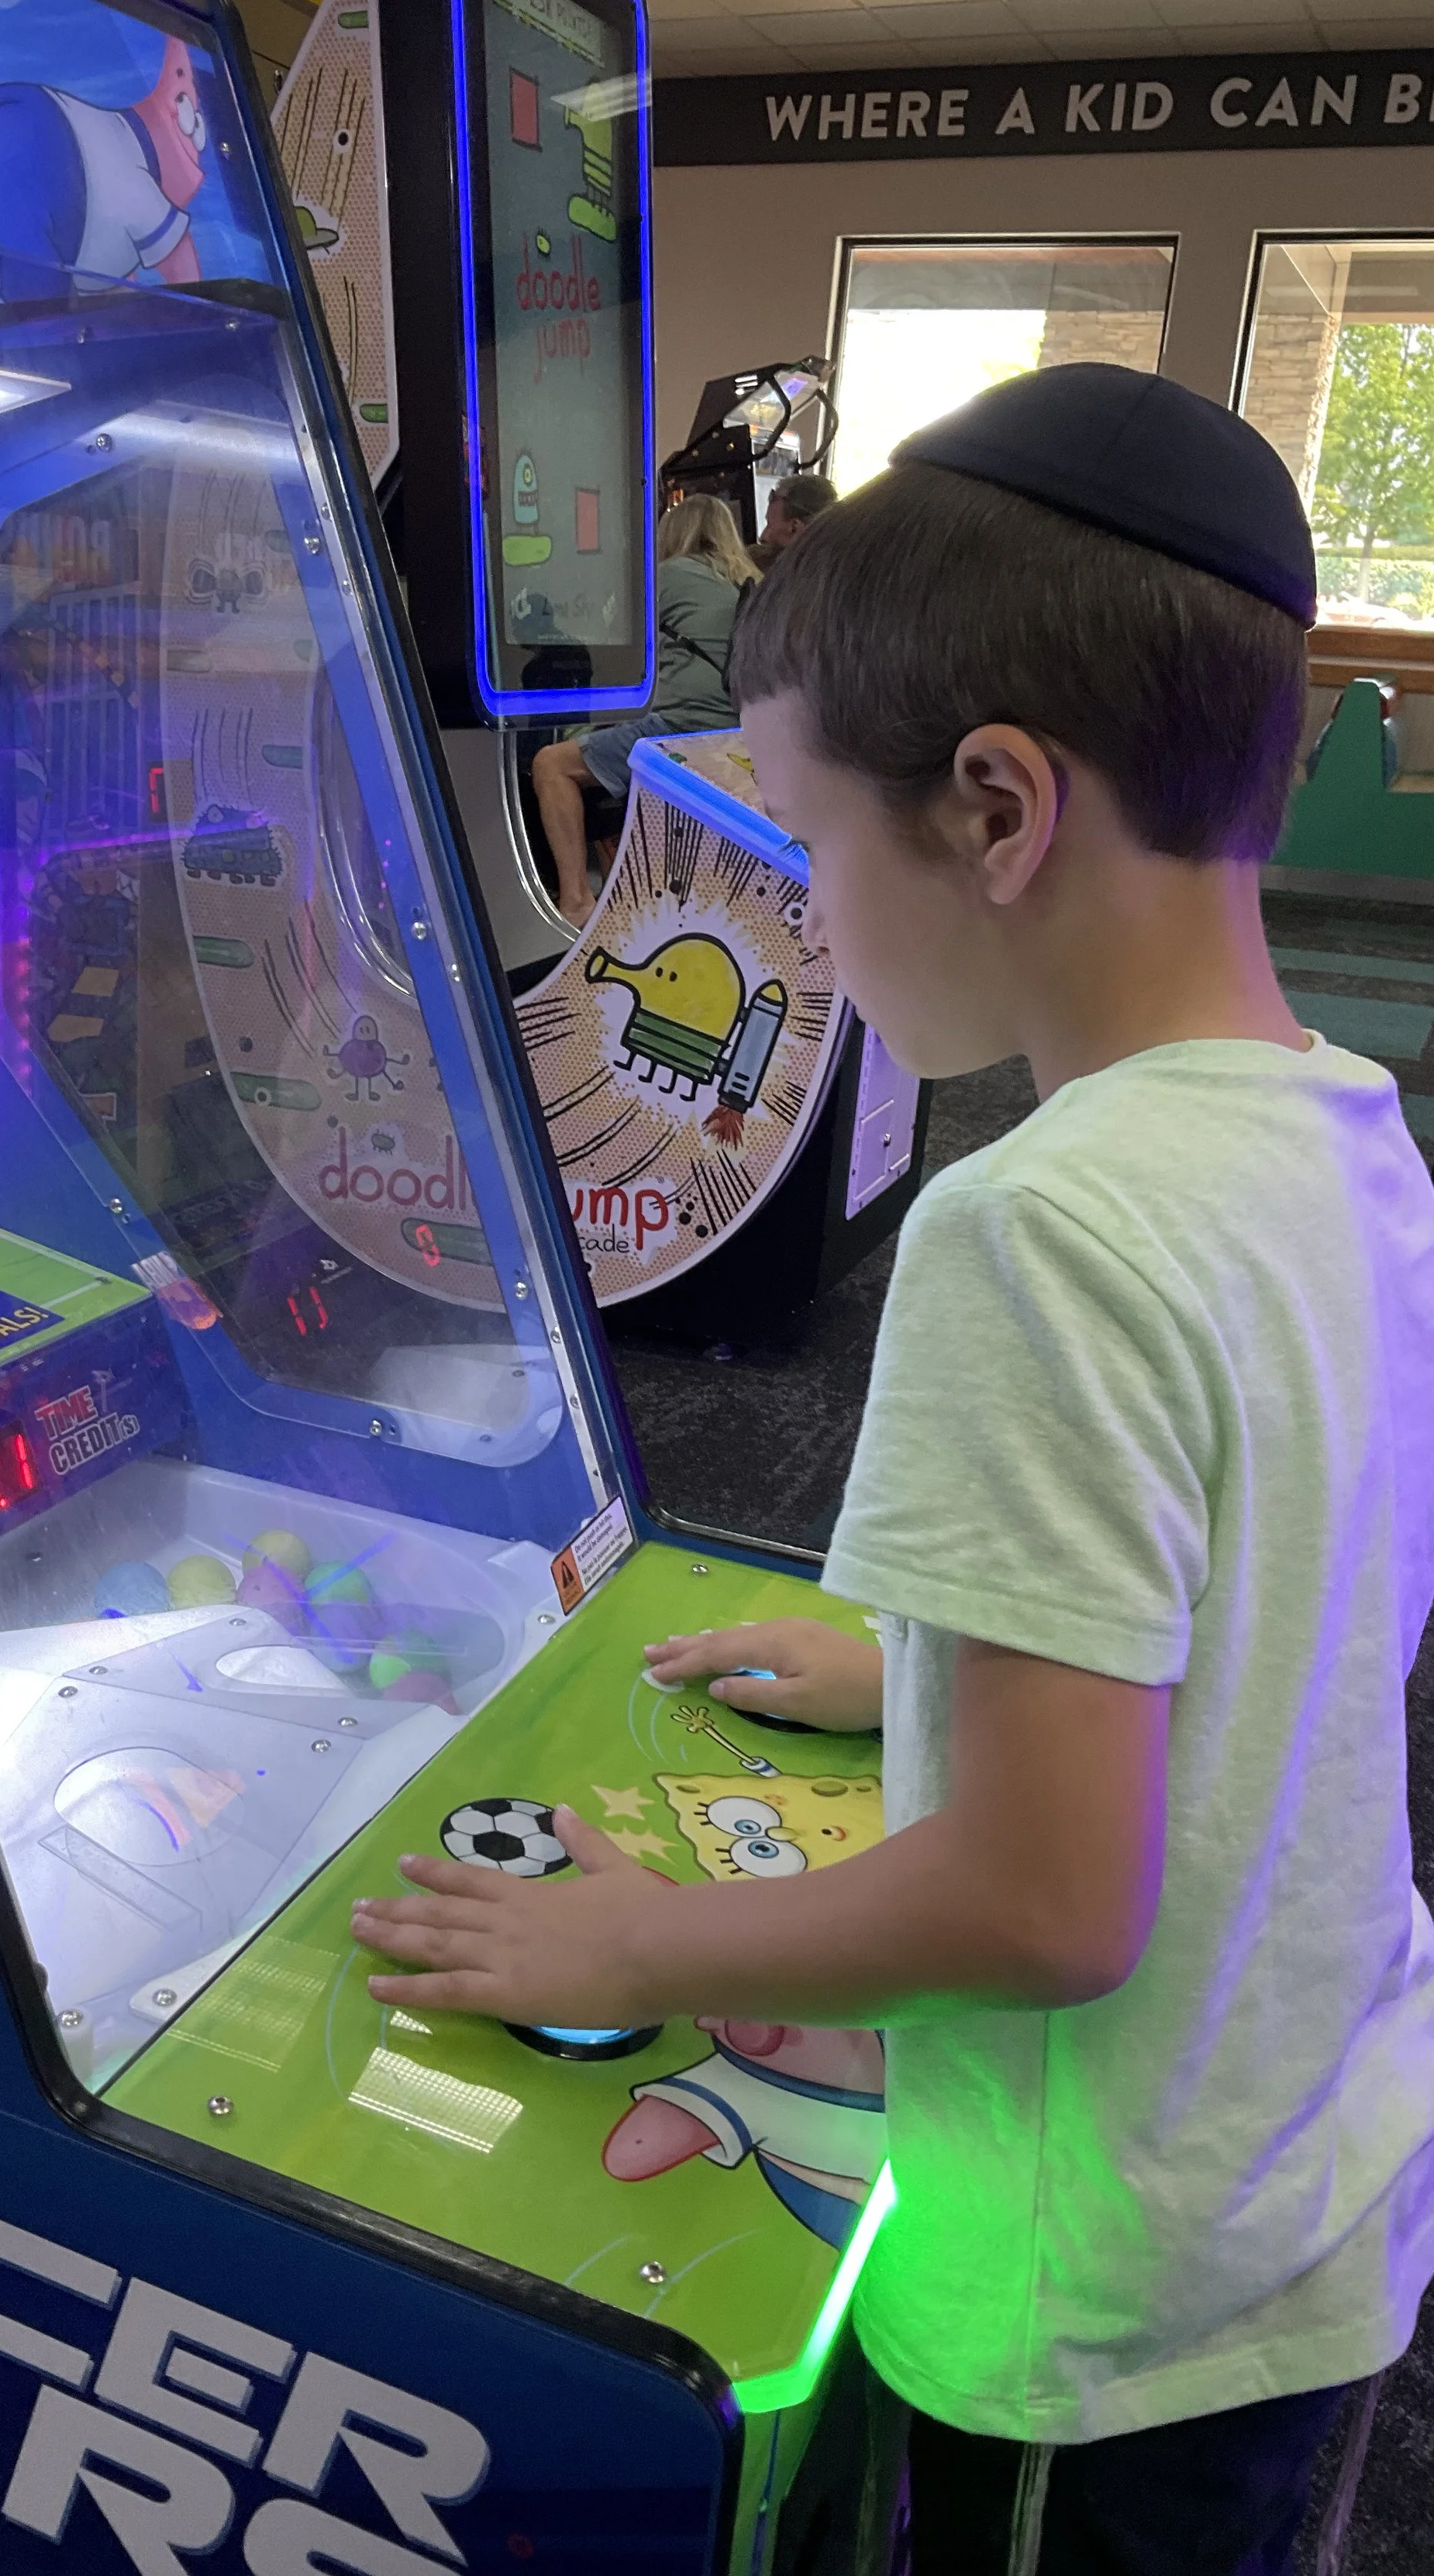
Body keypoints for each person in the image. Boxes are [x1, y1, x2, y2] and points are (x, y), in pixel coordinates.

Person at [353, 363, 1434, 2573]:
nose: (805, 926)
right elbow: (1280, 1571)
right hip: (1299, 2188)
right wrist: (925, 1656)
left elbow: (1045, 1905)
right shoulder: (1337, 1123)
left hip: (1093, 2301)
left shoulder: (1032, 1223)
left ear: (992, 808)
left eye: (803, 842)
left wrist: (641, 1921)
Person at [530, 491, 759, 928]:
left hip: (684, 725)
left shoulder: (669, 574)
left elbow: (610, 645)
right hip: (739, 732)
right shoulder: (750, 579)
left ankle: (576, 900)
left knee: (553, 764)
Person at [748, 467, 836, 573]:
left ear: (794, 528)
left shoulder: (766, 573)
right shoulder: (835, 572)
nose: (763, 537)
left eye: (769, 526)